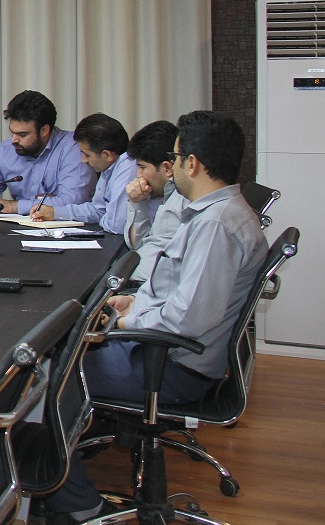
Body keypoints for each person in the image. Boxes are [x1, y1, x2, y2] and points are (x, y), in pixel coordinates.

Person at [44, 111, 268, 525]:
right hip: (164, 351)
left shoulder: (217, 225)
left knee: (44, 376)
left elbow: (186, 320)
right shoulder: (214, 212)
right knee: (64, 348)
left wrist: (120, 325)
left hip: (170, 366)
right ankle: (70, 459)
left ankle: (75, 502)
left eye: (177, 157)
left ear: (192, 164)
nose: (172, 165)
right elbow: (179, 296)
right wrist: (134, 306)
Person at [0, 90, 95, 214]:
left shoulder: (73, 148)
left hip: (66, 231)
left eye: (22, 135)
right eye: (12, 132)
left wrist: (15, 206)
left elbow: (71, 201)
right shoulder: (5, 151)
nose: (14, 140)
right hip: (20, 230)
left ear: (44, 130)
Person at [31, 113, 135, 233]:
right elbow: (98, 210)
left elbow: (116, 226)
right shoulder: (109, 167)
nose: (83, 160)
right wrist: (54, 212)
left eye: (87, 155)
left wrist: (103, 218)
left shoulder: (128, 167)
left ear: (107, 155)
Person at [121, 120, 180, 280]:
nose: (138, 175)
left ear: (167, 168)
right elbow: (139, 246)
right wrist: (137, 203)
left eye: (142, 167)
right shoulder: (158, 195)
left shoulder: (180, 201)